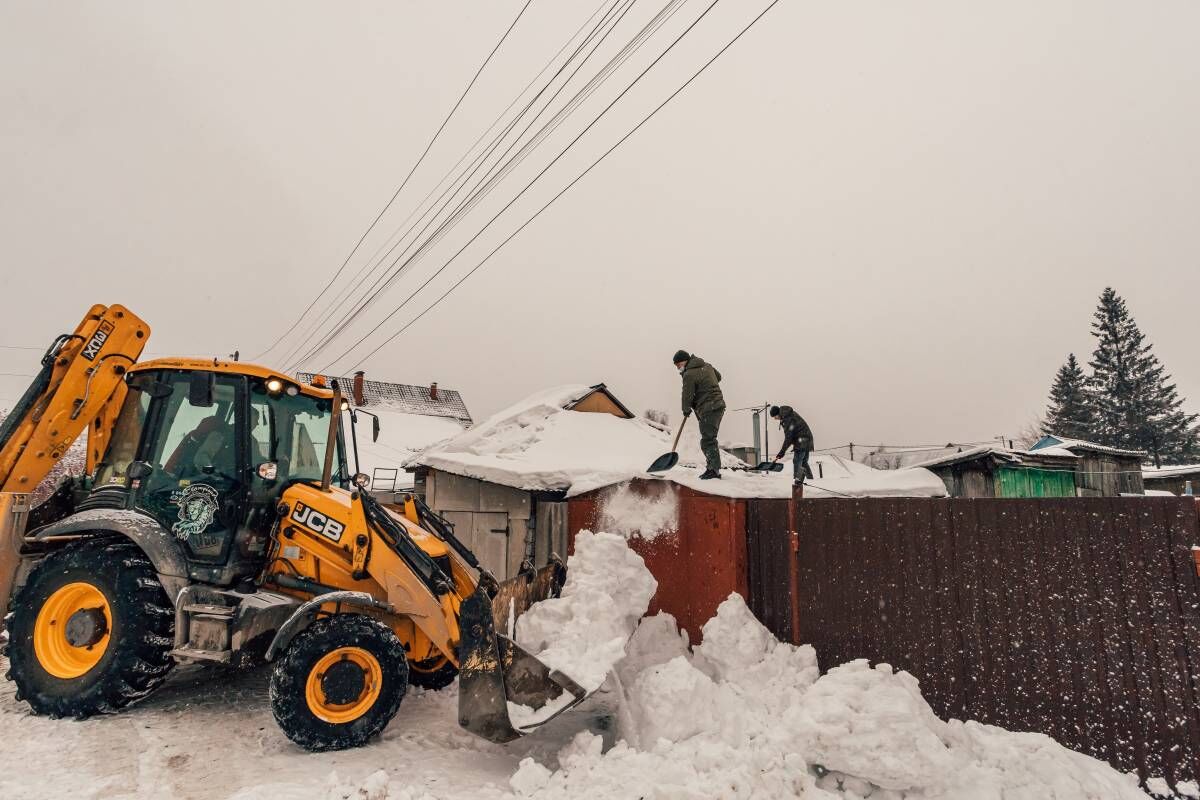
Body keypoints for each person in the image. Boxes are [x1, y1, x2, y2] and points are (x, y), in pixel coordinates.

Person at [674, 350, 725, 480]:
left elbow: (687, 395)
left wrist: (685, 409)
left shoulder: (689, 374)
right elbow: (718, 377)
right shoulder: (707, 365)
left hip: (708, 407)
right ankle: (712, 468)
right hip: (718, 405)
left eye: (679, 365)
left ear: (685, 361)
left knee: (708, 440)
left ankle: (713, 470)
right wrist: (705, 384)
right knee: (710, 437)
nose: (678, 368)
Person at [771, 405, 814, 486]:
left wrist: (781, 452)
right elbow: (791, 436)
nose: (775, 419)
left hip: (802, 440)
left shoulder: (787, 419)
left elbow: (788, 438)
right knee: (804, 462)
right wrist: (782, 452)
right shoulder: (789, 415)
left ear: (778, 414)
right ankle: (811, 480)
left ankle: (797, 482)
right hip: (806, 439)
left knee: (797, 461)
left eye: (775, 416)